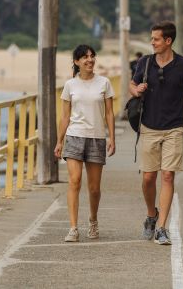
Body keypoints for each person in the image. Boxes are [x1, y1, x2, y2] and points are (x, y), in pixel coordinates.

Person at [129, 21, 183, 245]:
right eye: (152, 38)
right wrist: (136, 90)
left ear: (168, 41)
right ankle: (151, 214)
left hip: (175, 129)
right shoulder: (145, 62)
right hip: (148, 127)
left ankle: (162, 228)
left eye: (156, 39)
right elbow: (132, 84)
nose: (152, 42)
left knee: (167, 175)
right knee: (148, 178)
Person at [54, 44, 116, 242]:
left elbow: (109, 113)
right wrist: (59, 141)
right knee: (74, 181)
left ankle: (93, 220)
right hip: (74, 136)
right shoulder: (70, 85)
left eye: (92, 56)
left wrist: (111, 138)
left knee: (94, 188)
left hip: (96, 138)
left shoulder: (104, 83)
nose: (89, 60)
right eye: (85, 57)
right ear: (76, 62)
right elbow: (65, 116)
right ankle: (73, 228)